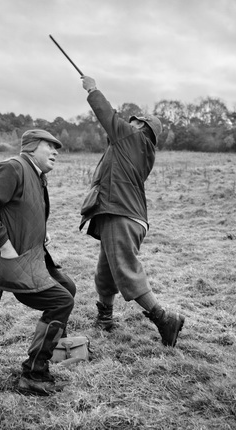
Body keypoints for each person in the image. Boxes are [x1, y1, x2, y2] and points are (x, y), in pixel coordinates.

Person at [0, 129, 76, 396]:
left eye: (57, 147)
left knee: (67, 287)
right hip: (13, 261)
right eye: (49, 146)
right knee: (60, 301)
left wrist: (41, 231)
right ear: (30, 148)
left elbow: (21, 209)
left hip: (32, 256)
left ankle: (54, 349)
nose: (55, 151)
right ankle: (33, 373)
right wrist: (5, 248)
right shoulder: (13, 168)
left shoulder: (36, 175)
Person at [79, 76, 185, 347]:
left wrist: (93, 90)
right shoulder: (134, 147)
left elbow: (108, 118)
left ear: (142, 128)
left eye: (134, 120)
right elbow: (111, 131)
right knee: (106, 271)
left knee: (125, 270)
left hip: (121, 214)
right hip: (122, 214)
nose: (128, 122)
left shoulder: (133, 139)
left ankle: (164, 318)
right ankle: (105, 318)